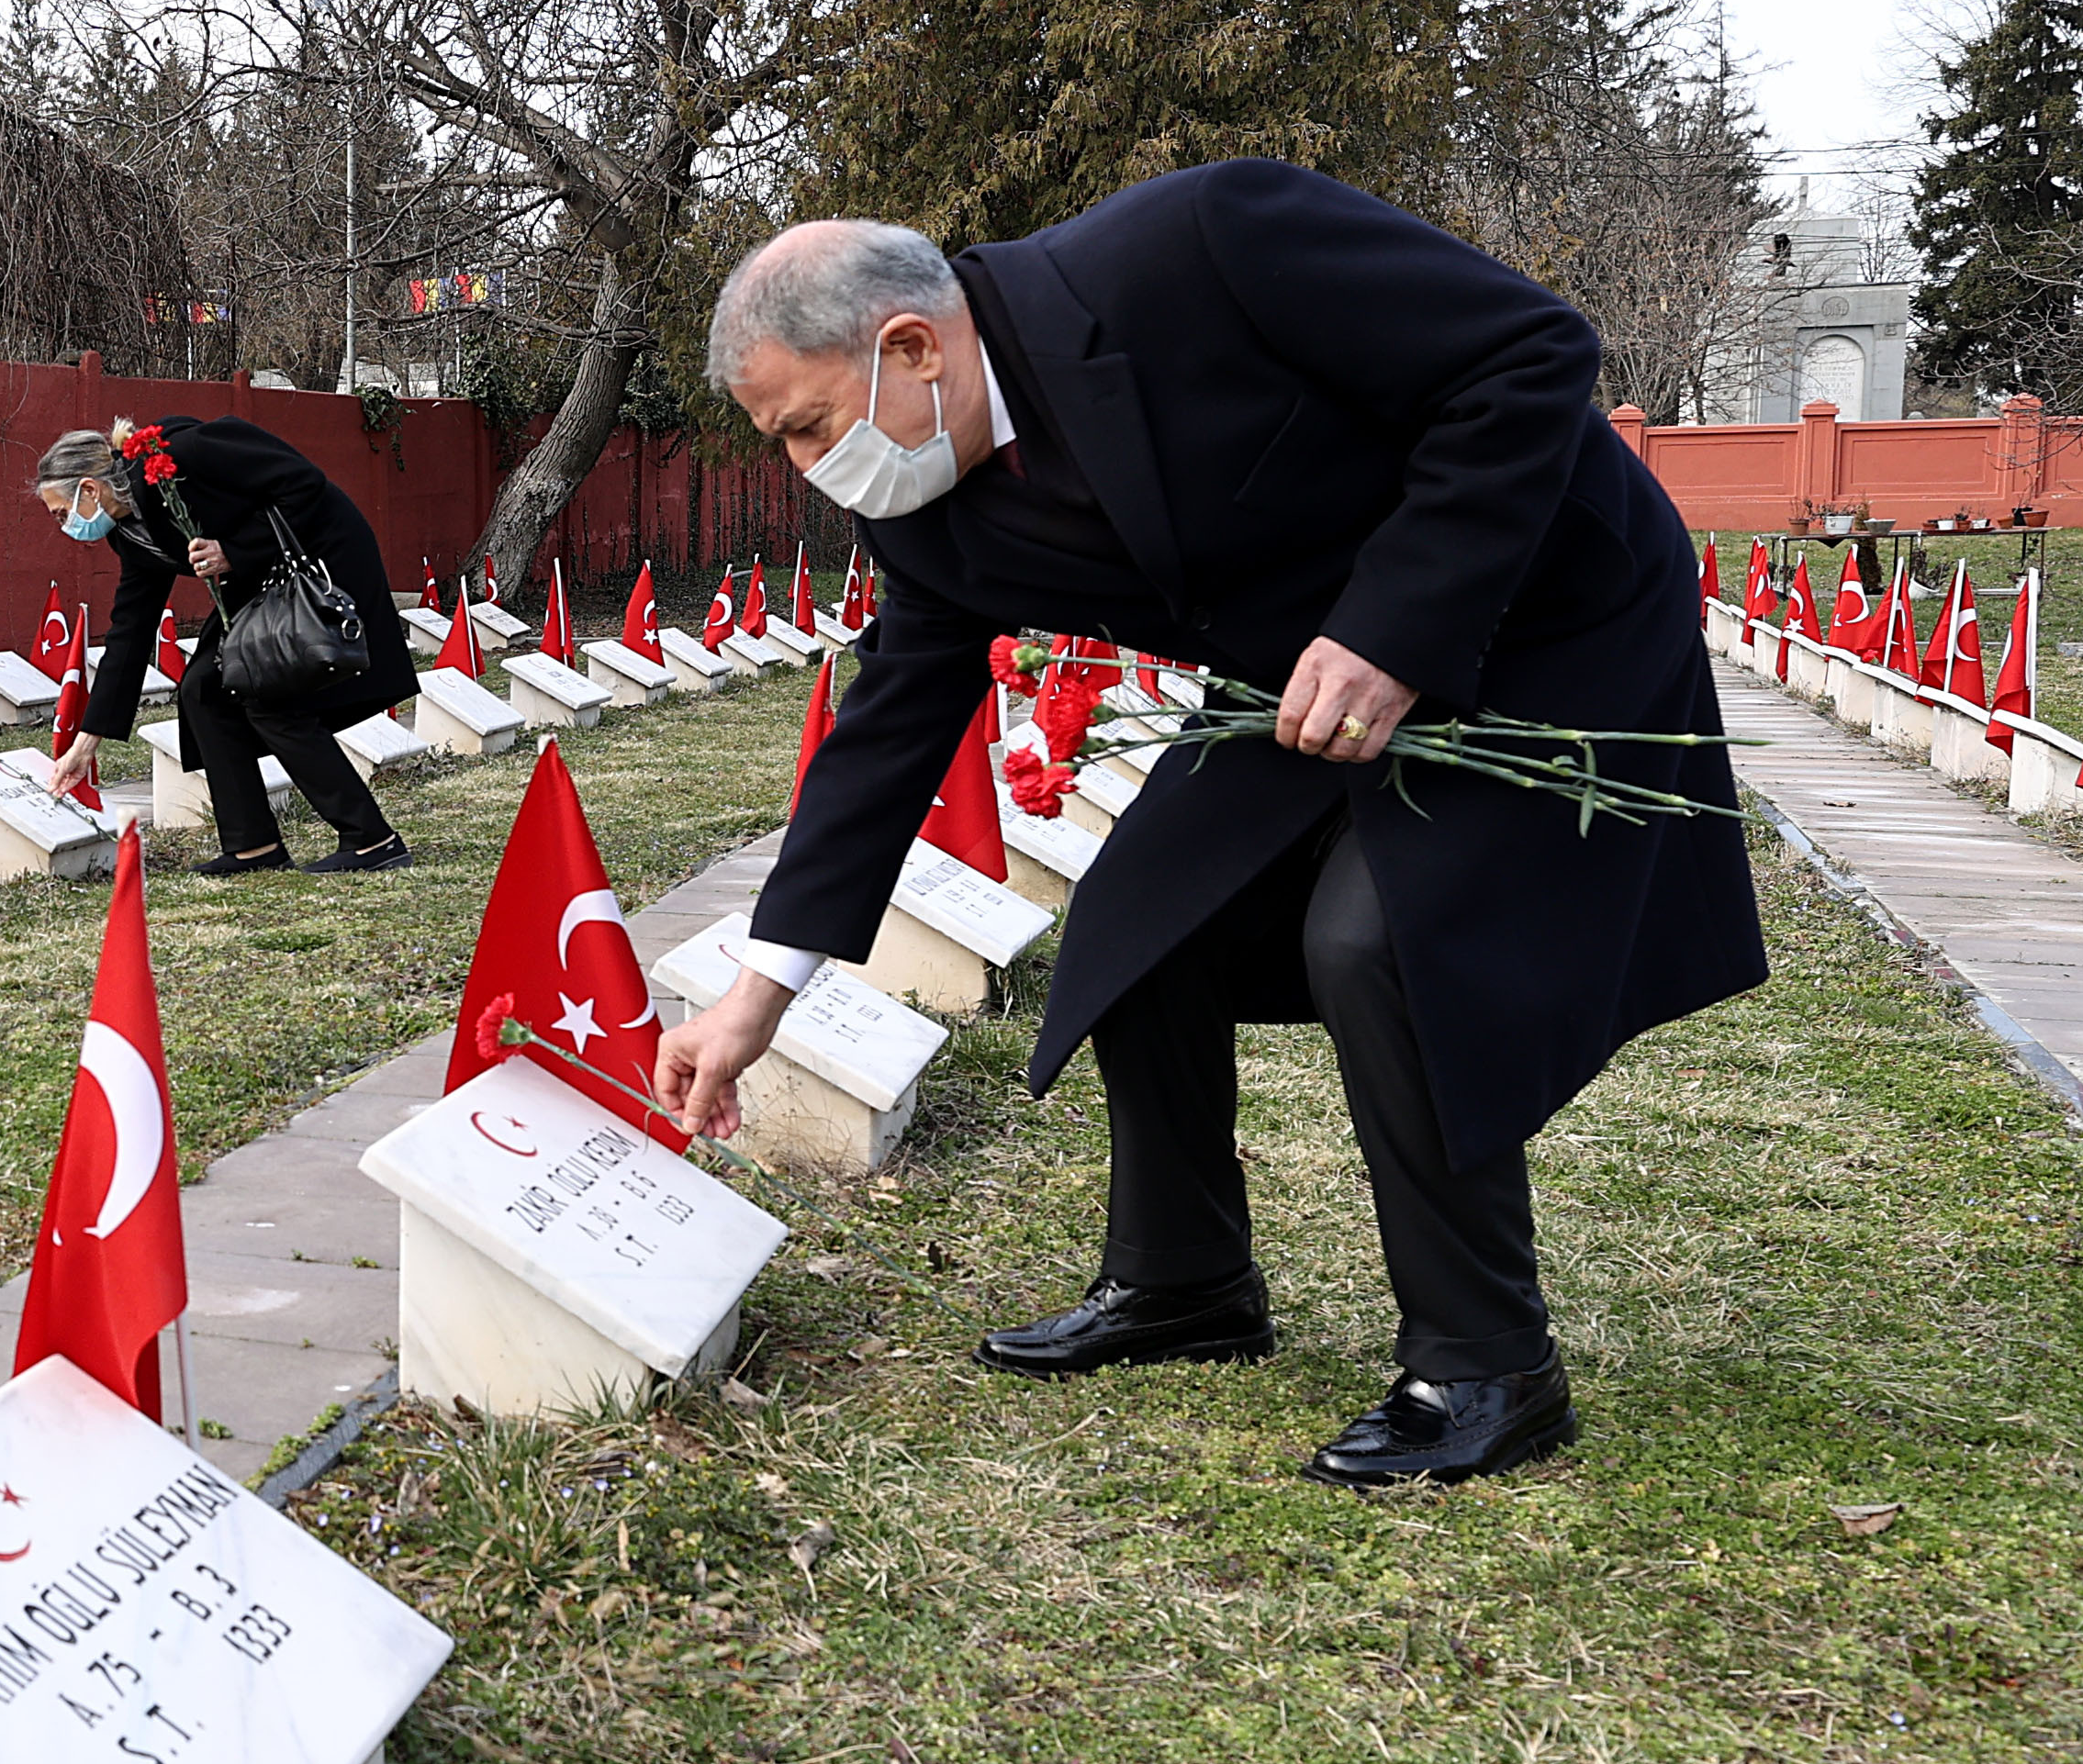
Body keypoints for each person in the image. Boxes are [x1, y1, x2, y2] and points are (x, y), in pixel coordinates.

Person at [652, 168, 1764, 1487]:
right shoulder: (929, 509)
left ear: (909, 348)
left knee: (1378, 939)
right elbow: (891, 724)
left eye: (809, 427)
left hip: (1537, 618)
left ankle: (1486, 1360)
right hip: (1301, 681)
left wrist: (1393, 630)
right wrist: (757, 992)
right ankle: (1183, 1282)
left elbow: (1530, 352)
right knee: (1140, 918)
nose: (810, 467)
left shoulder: (1200, 246)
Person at [37, 417, 420, 874]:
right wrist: (85, 744)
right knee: (201, 689)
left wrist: (235, 551)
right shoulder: (130, 533)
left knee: (267, 694)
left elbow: (305, 485)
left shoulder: (187, 454)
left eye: (62, 513)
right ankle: (253, 847)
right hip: (258, 581)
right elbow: (130, 632)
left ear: (90, 489)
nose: (64, 527)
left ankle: (372, 841)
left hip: (318, 565)